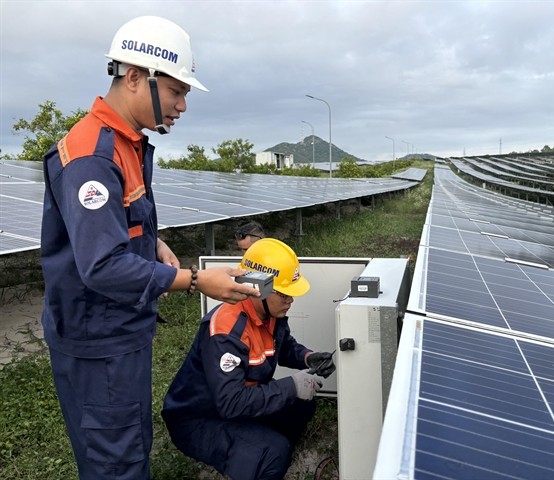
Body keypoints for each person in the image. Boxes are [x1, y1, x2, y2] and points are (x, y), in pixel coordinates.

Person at [40, 16, 260, 480]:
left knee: (128, 447)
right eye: (177, 92)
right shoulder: (93, 157)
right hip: (99, 340)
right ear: (136, 77)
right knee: (115, 464)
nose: (182, 105)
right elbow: (102, 267)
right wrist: (197, 281)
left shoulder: (126, 144)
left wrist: (151, 242)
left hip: (120, 331)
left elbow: (110, 224)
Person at [162, 238, 336, 480]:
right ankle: (260, 455)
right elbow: (231, 403)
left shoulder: (271, 312)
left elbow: (282, 346)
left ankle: (255, 447)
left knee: (301, 405)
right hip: (200, 420)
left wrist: (308, 358)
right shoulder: (227, 332)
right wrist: (290, 386)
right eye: (284, 294)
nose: (290, 300)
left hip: (234, 405)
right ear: (258, 286)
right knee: (273, 453)